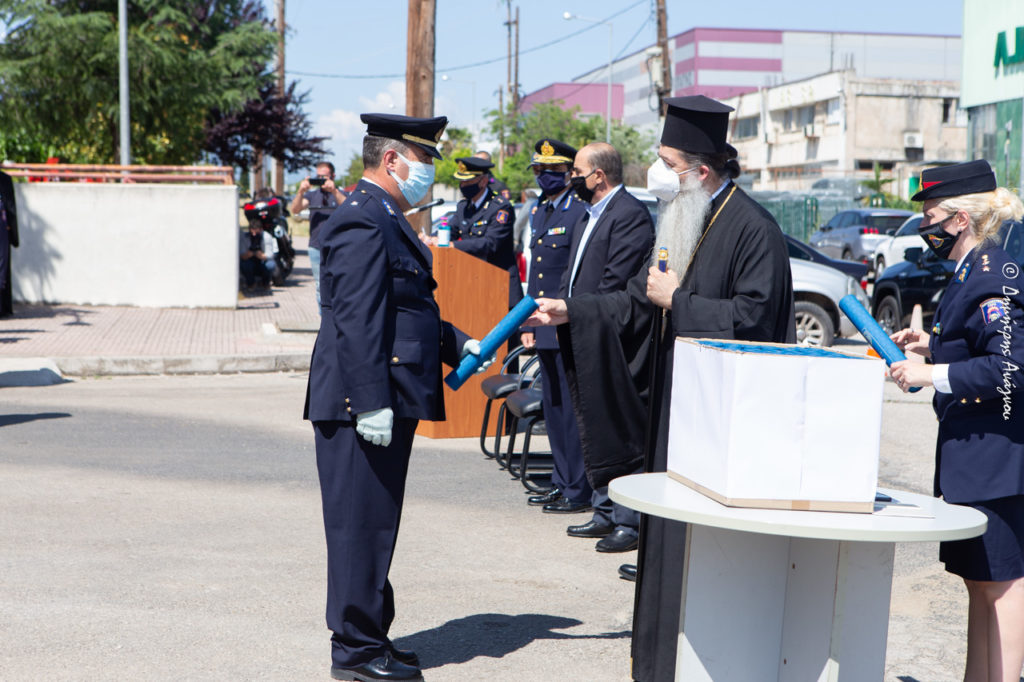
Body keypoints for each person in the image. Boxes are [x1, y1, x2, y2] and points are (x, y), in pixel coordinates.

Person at [526, 95, 795, 682]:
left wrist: (682, 302)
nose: (659, 175)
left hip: (723, 423)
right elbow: (636, 300)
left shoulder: (754, 230)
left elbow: (756, 321)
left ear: (701, 170)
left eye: (669, 164)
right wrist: (571, 310)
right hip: (678, 411)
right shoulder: (682, 218)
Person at [304, 112, 489, 682]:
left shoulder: (385, 215)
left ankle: (371, 637)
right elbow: (358, 318)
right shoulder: (362, 219)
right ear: (392, 160)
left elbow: (404, 304)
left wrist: (457, 343)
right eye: (425, 160)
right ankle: (355, 653)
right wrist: (370, 400)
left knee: (376, 523)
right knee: (360, 526)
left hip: (382, 395)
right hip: (362, 403)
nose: (431, 172)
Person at [890, 159, 1024, 682]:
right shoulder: (972, 269)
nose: (926, 228)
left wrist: (932, 373)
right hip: (975, 457)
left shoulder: (992, 273)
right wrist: (934, 345)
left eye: (931, 217)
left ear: (960, 219)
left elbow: (1009, 368)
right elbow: (977, 345)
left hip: (996, 457)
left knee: (1004, 586)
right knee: (980, 581)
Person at [541, 142, 656, 556]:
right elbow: (569, 276)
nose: (571, 176)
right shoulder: (588, 214)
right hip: (578, 328)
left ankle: (628, 519)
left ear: (599, 176)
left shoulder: (629, 216)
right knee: (590, 421)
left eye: (576, 170)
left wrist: (573, 311)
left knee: (615, 427)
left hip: (608, 336)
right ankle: (603, 508)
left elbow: (613, 286)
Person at [515, 139, 592, 516]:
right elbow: (537, 271)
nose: (544, 176)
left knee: (571, 409)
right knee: (553, 406)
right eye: (539, 171)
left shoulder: (578, 211)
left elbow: (573, 273)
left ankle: (578, 488)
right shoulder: (540, 210)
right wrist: (526, 321)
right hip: (542, 321)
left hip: (565, 319)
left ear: (566, 172)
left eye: (552, 171)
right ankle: (562, 482)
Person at [433, 156, 521, 309]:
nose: (463, 185)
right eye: (461, 181)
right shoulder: (463, 207)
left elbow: (490, 243)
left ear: (483, 181)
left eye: (468, 181)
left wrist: (453, 245)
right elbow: (451, 230)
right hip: (473, 284)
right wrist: (432, 239)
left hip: (499, 286)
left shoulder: (500, 207)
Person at [291, 161, 347, 306]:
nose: (321, 180)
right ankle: (324, 319)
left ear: (333, 176)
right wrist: (300, 191)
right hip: (316, 246)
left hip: (338, 247)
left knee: (339, 284)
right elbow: (295, 209)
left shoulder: (340, 193)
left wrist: (334, 191)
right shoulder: (311, 195)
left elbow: (349, 208)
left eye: (325, 177)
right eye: (318, 177)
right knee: (320, 286)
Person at [239, 203, 280, 290]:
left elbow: (270, 255)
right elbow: (241, 254)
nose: (254, 235)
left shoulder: (266, 236)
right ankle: (251, 283)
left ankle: (265, 283)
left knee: (270, 265)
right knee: (245, 264)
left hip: (262, 260)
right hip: (249, 260)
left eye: (256, 233)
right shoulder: (245, 237)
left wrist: (262, 256)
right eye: (252, 232)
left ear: (261, 230)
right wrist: (247, 255)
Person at [0, 170, 18, 317]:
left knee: (2, 268)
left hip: (2, 231)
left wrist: (13, 236)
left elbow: (10, 208)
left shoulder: (4, 180)